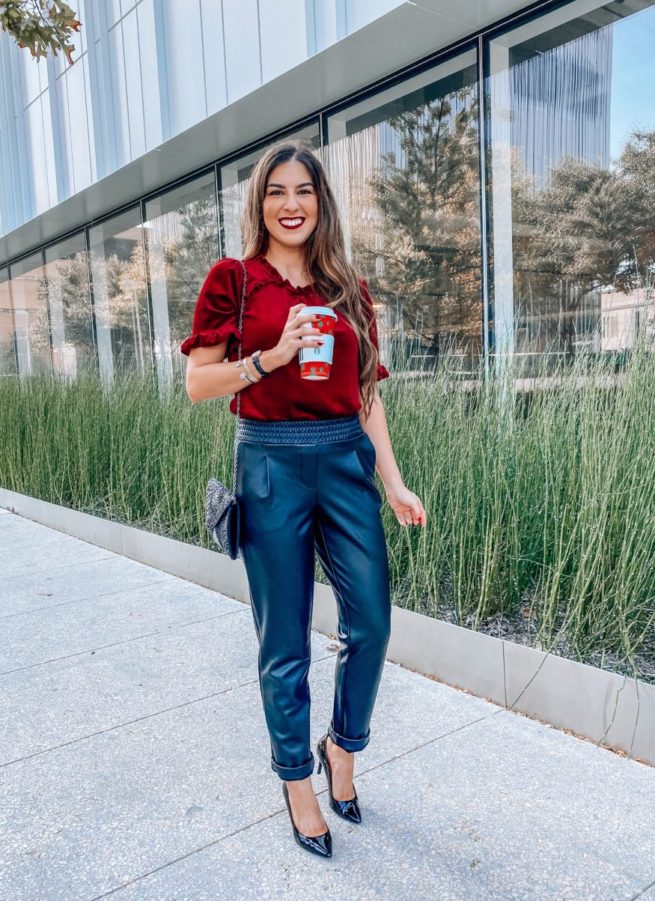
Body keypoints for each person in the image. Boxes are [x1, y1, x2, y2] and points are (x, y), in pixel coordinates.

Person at [180, 139, 426, 858]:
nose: (291, 204)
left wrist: (393, 479)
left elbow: (367, 393)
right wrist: (269, 358)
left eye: (304, 191)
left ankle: (341, 745)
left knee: (372, 622)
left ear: (321, 201)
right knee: (283, 641)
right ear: (259, 203)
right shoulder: (234, 279)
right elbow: (199, 382)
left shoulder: (347, 285)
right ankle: (296, 780)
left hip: (345, 457)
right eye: (276, 192)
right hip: (269, 461)